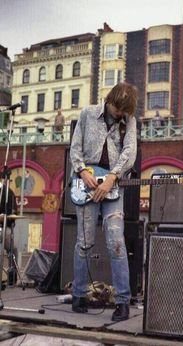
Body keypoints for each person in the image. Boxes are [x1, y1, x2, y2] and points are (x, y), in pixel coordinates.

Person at [70, 82, 138, 321]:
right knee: (84, 241)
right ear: (109, 100)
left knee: (116, 242)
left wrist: (112, 177)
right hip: (87, 185)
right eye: (118, 109)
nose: (120, 113)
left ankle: (123, 302)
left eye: (124, 111)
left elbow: (130, 152)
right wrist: (82, 171)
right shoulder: (88, 114)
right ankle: (78, 295)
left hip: (112, 187)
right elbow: (75, 147)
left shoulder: (129, 121)